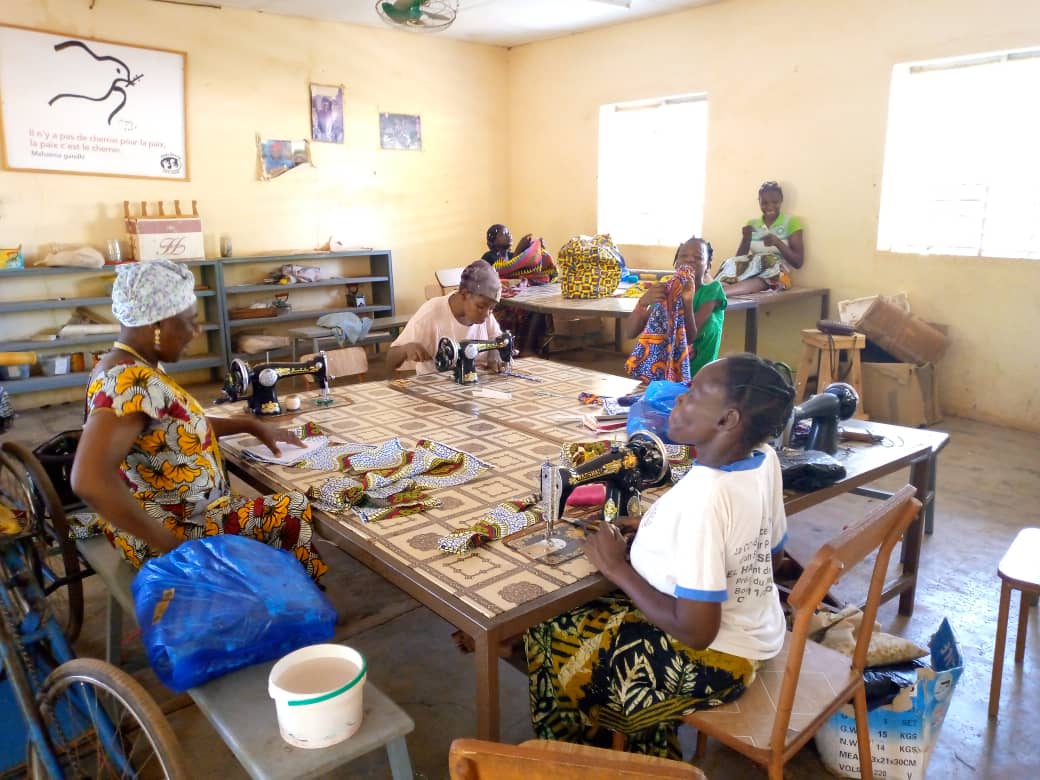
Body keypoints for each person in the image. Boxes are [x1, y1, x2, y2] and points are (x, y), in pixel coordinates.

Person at [526, 354, 794, 758]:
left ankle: (579, 757)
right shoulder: (763, 459)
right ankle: (642, 742)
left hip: (716, 661)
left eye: (694, 394)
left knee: (547, 628)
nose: (679, 398)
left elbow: (697, 632)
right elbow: (771, 555)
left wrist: (617, 567)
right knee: (587, 614)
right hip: (760, 629)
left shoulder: (705, 499)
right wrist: (661, 528)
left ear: (727, 420)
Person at [70, 259, 328, 581]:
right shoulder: (127, 383)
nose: (195, 333)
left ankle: (271, 588)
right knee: (291, 508)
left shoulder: (132, 366)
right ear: (157, 324)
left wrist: (251, 424)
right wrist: (174, 547)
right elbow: (88, 479)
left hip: (178, 518)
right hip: (174, 534)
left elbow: (176, 429)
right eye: (189, 323)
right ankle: (287, 600)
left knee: (267, 506)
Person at [623, 236, 726, 385]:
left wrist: (687, 301)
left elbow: (688, 338)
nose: (689, 260)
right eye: (683, 256)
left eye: (698, 257)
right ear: (676, 263)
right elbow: (629, 333)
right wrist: (642, 304)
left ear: (708, 267)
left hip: (698, 380)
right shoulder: (666, 292)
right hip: (663, 379)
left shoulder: (712, 291)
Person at [387, 259, 507, 375]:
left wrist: (495, 352)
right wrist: (405, 350)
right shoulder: (430, 315)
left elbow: (497, 339)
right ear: (464, 294)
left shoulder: (484, 312)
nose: (487, 314)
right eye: (480, 306)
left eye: (492, 309)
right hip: (436, 383)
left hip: (476, 381)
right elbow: (389, 360)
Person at [715, 181, 805, 296]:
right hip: (752, 271)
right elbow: (739, 260)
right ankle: (712, 289)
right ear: (759, 202)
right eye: (764, 203)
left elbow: (798, 262)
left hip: (779, 275)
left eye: (775, 202)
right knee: (729, 263)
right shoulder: (752, 224)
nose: (769, 207)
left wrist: (778, 243)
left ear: (781, 201)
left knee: (766, 267)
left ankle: (719, 293)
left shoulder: (791, 222)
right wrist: (746, 239)